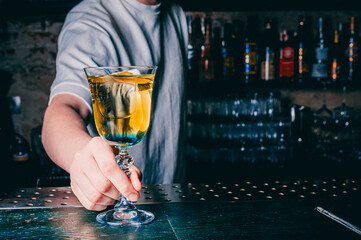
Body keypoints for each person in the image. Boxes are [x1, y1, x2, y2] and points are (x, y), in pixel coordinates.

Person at [42, 0, 187, 211]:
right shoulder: (91, 20)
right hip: (114, 212)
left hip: (175, 205)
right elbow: (63, 107)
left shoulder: (175, 13)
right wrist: (83, 155)